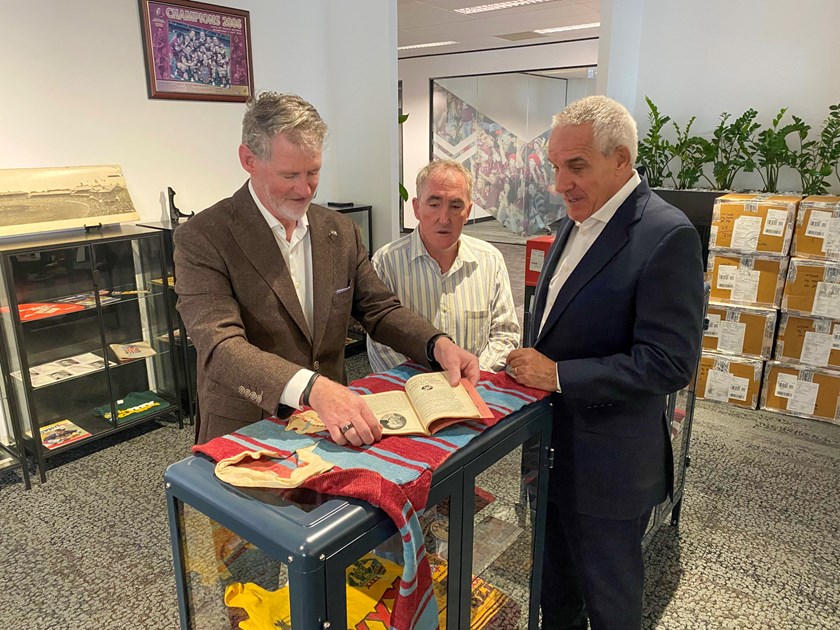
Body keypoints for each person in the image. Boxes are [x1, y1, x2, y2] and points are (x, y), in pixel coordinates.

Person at [173, 92, 479, 447]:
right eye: (289, 175)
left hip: (329, 424)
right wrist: (313, 389)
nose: (304, 190)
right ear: (249, 160)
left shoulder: (338, 230)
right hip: (247, 426)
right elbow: (221, 346)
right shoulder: (203, 237)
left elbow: (379, 309)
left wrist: (436, 344)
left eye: (313, 172)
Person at [506, 95, 704, 629]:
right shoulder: (577, 219)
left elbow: (668, 363)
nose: (560, 182)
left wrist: (559, 375)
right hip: (552, 454)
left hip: (609, 470)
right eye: (555, 167)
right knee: (557, 595)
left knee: (611, 606)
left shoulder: (667, 236)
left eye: (576, 166)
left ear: (621, 160)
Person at [366, 159, 520, 373]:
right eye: (434, 204)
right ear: (417, 208)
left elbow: (505, 334)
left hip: (476, 389)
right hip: (411, 393)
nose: (444, 218)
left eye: (456, 206)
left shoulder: (490, 261)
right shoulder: (386, 262)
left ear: (468, 211)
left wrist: (473, 374)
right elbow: (381, 343)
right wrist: (431, 388)